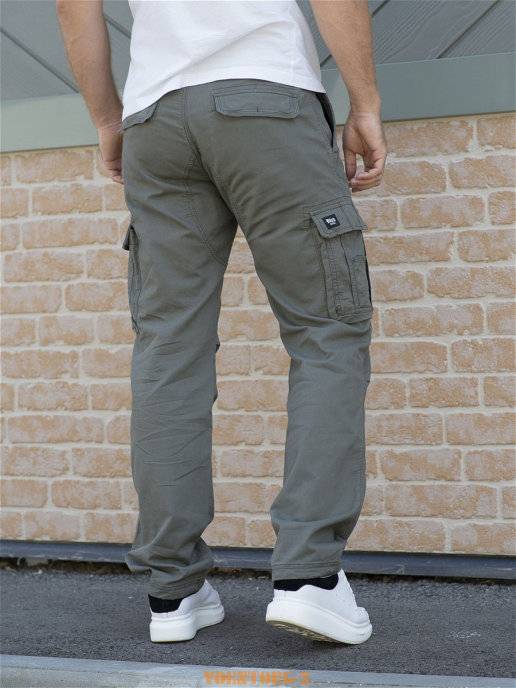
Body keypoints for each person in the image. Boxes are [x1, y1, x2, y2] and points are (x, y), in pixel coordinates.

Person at [57, 0, 387, 645]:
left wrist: (106, 118)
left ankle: (173, 590)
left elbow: (74, 6)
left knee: (168, 349)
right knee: (327, 333)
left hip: (156, 120)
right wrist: (365, 103)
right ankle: (310, 580)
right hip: (267, 98)